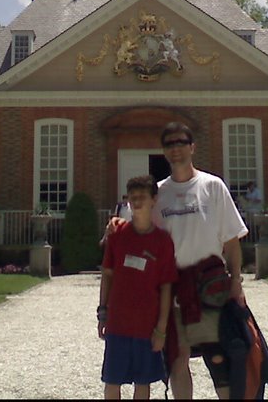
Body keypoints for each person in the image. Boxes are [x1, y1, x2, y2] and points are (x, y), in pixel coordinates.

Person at [107, 122, 248, 400]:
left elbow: (231, 240)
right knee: (177, 358)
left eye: (181, 142)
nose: (176, 148)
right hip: (172, 287)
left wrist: (237, 282)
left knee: (218, 356)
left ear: (192, 147)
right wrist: (115, 223)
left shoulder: (212, 186)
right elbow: (136, 226)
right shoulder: (158, 194)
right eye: (170, 144)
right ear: (164, 151)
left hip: (210, 285)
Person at [98, 175, 177, 400]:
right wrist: (102, 312)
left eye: (142, 196)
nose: (137, 201)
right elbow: (108, 275)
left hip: (147, 326)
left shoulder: (162, 241)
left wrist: (161, 328)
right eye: (132, 197)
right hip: (117, 323)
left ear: (154, 200)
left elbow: (166, 286)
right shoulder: (118, 235)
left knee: (143, 383)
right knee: (112, 381)